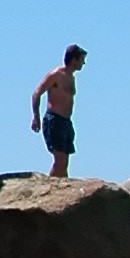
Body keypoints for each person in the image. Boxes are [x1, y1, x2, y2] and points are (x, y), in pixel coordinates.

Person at [30, 45, 86, 176]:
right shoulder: (56, 75)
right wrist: (36, 117)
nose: (83, 63)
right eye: (81, 59)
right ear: (74, 60)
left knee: (64, 161)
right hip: (54, 120)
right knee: (60, 160)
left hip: (66, 122)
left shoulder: (71, 77)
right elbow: (37, 93)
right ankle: (50, 188)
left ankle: (62, 188)